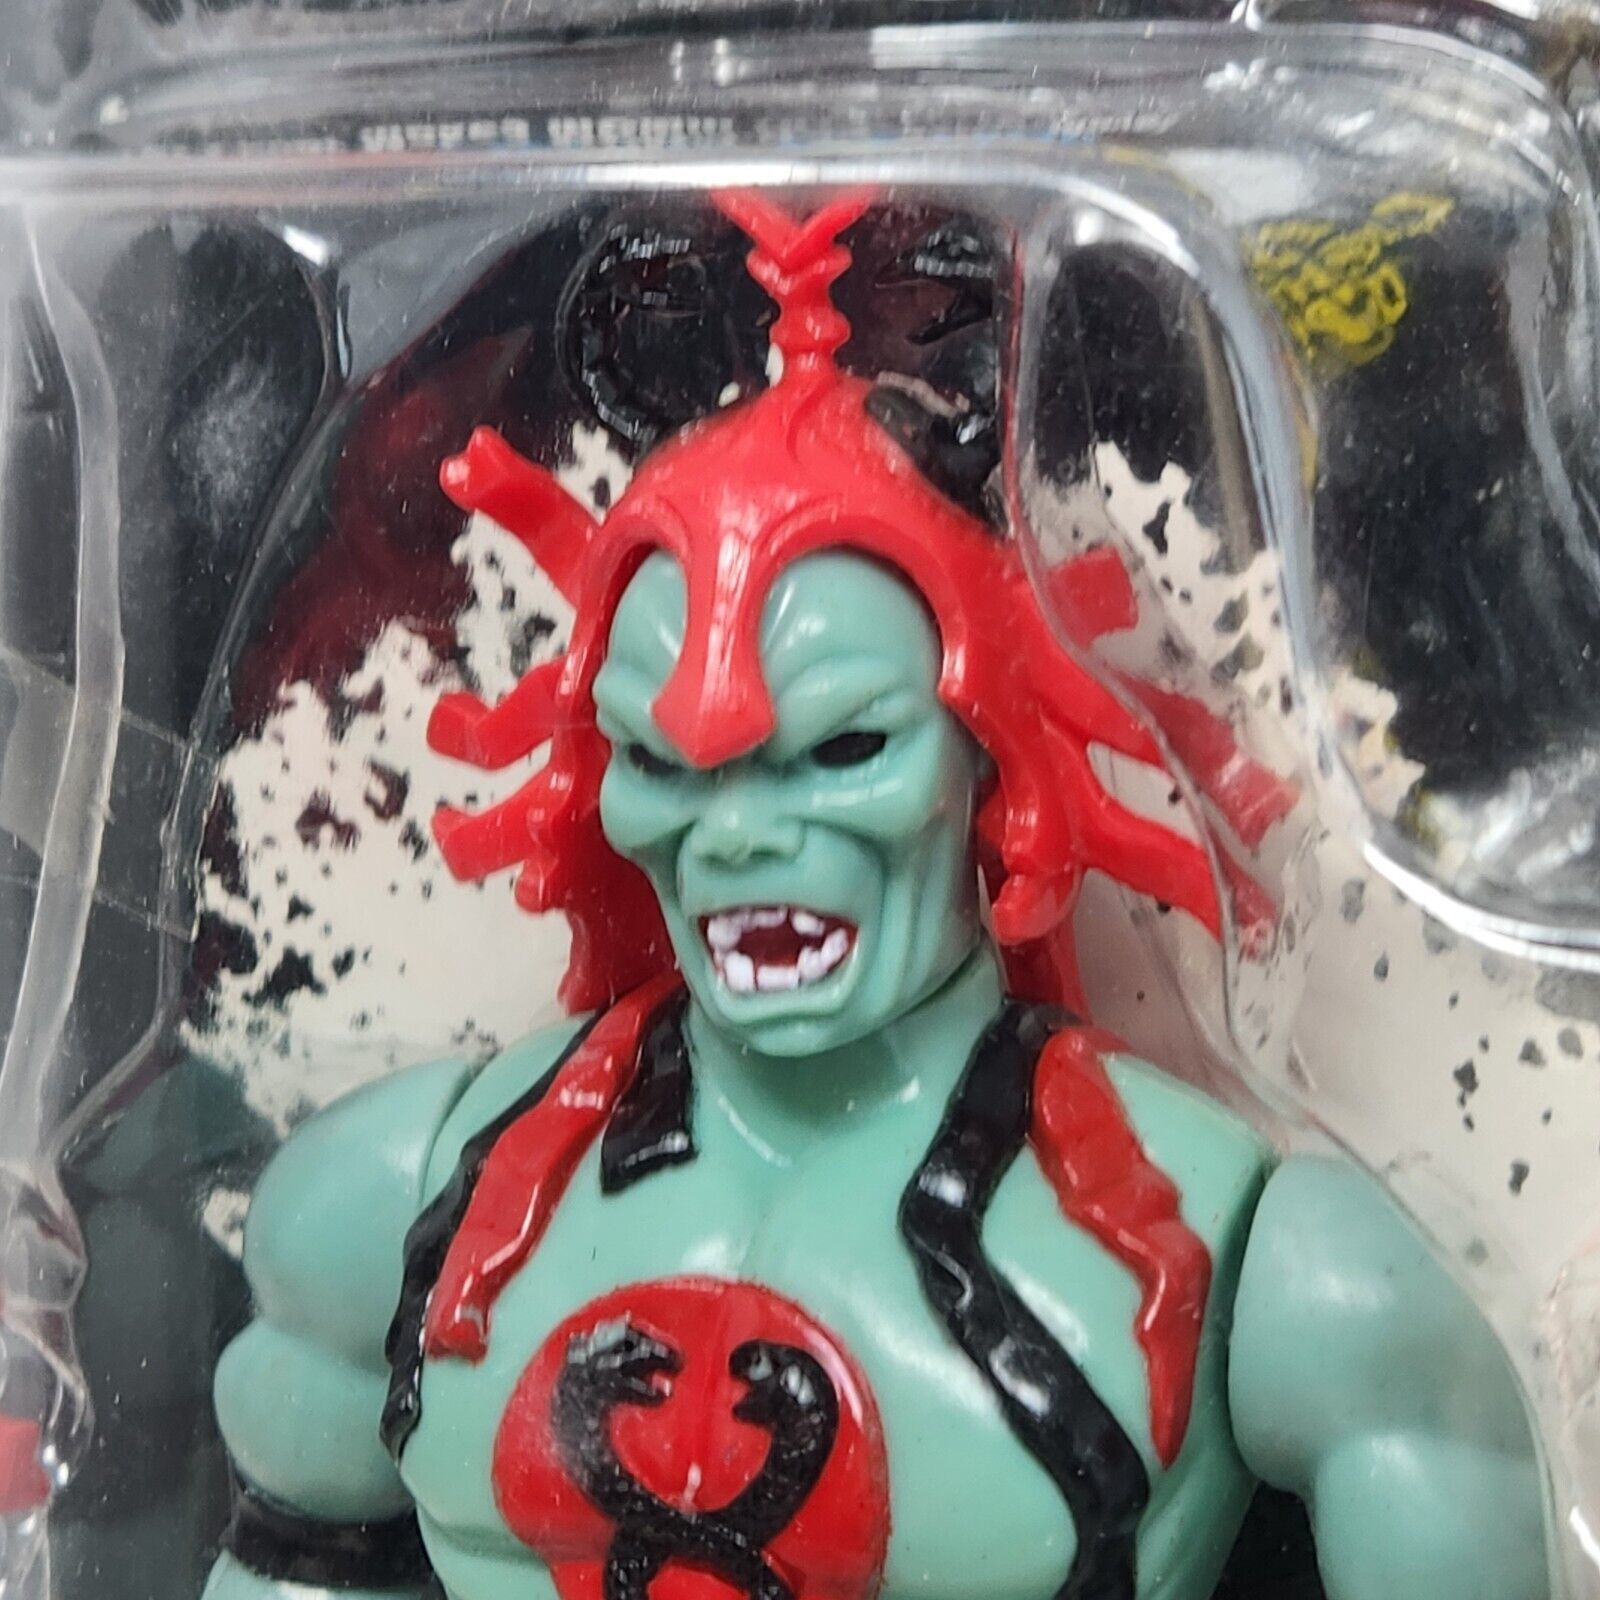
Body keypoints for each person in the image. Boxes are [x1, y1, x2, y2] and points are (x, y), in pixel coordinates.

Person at [203, 191, 1549, 1600]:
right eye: (666, 765)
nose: (738, 840)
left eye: (842, 752)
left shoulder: (1279, 1282)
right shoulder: (392, 1205)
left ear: (988, 757)